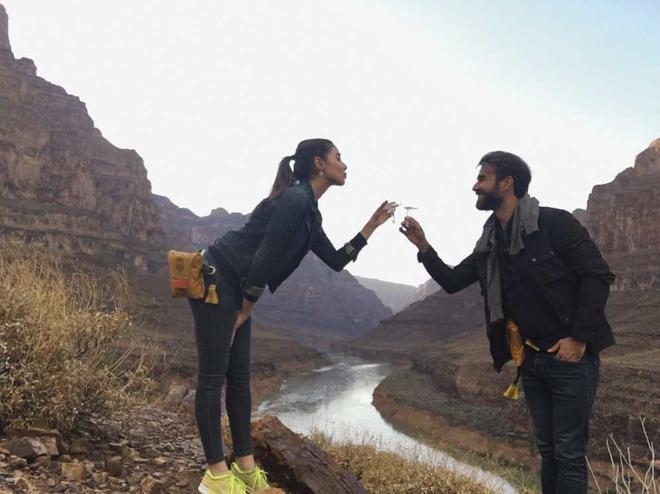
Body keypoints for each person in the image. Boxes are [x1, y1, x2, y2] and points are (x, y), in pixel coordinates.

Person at [399, 151, 615, 494]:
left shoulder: (555, 224)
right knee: (548, 452)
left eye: (482, 178)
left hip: (570, 360)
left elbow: (597, 275)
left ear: (507, 182)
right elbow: (454, 281)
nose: (475, 186)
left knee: (569, 454)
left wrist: (579, 339)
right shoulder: (491, 242)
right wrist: (424, 246)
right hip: (530, 360)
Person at [191, 138, 395, 494]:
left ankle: (247, 469)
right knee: (213, 376)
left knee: (239, 379)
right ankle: (216, 477)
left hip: (237, 288)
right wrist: (248, 307)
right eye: (338, 157)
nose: (344, 165)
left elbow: (335, 259)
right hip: (216, 277)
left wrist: (370, 227)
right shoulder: (296, 199)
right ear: (319, 163)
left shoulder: (309, 213)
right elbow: (267, 252)